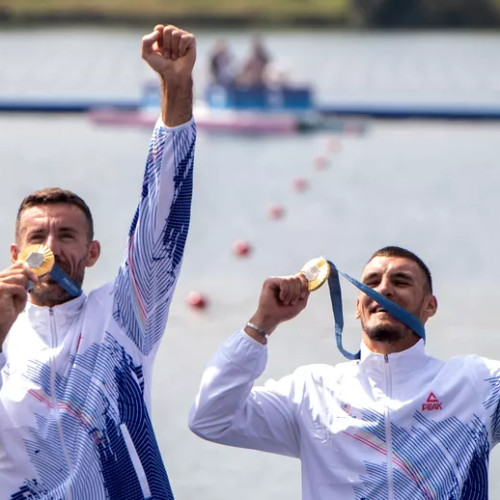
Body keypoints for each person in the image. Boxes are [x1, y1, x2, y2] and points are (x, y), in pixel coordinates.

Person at [0, 24, 196, 499]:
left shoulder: (123, 315)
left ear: (92, 253)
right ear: (14, 253)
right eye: (37, 236)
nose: (49, 248)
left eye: (66, 235)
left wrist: (176, 85)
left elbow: (160, 214)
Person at [189, 246, 500, 499]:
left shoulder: (473, 382)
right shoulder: (314, 390)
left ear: (430, 305)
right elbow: (211, 418)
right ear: (357, 306)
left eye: (401, 282)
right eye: (373, 282)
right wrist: (262, 323)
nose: (385, 290)